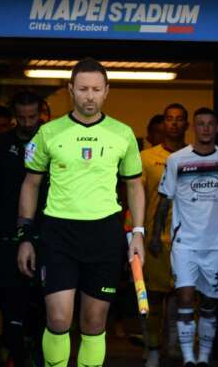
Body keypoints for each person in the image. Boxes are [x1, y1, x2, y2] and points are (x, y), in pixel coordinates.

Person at [17, 57, 145, 367]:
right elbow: (30, 185)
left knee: (94, 321)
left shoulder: (123, 133)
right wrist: (25, 236)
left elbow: (135, 186)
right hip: (58, 234)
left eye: (96, 89)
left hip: (104, 235)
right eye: (83, 89)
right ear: (70, 89)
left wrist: (138, 233)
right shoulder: (49, 132)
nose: (90, 96)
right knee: (59, 318)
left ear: (107, 92)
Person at [152, 107, 218, 367]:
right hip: (185, 244)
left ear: (217, 128)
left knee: (209, 304)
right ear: (194, 128)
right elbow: (164, 201)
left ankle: (204, 357)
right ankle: (188, 359)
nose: (205, 128)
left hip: (217, 245)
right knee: (184, 297)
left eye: (210, 124)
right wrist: (154, 236)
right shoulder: (177, 160)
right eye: (200, 124)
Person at [0, 90, 47, 366]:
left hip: (46, 234)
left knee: (44, 302)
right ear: (14, 116)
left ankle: (41, 355)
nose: (28, 123)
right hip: (7, 235)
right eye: (22, 117)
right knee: (11, 301)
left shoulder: (51, 140)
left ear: (40, 113)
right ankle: (15, 353)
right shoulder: (2, 144)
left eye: (32, 116)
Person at [141, 103, 189, 366]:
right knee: (154, 298)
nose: (173, 123)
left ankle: (178, 347)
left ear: (186, 124)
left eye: (179, 119)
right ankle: (153, 349)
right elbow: (135, 198)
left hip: (188, 240)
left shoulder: (196, 155)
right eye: (169, 119)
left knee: (186, 298)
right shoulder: (146, 158)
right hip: (155, 240)